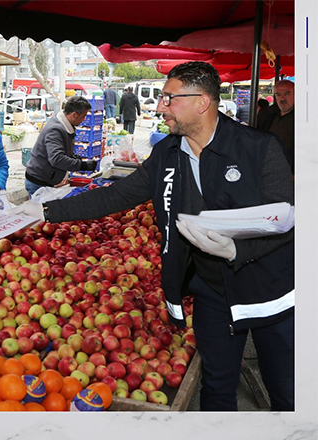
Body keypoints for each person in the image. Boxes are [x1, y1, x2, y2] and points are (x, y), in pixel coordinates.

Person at [20, 62, 294, 411]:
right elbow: (117, 195)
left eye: (169, 98)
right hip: (213, 292)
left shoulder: (260, 148)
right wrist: (47, 211)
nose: (160, 106)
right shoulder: (167, 153)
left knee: (286, 390)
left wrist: (237, 250)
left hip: (272, 291)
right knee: (218, 387)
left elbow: (288, 218)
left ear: (202, 102)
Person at [23, 96, 98, 197]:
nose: (84, 120)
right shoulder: (55, 130)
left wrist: (72, 157)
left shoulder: (65, 125)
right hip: (39, 182)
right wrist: (82, 166)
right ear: (74, 115)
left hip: (47, 180)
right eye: (83, 116)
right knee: (41, 211)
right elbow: (56, 159)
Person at [257, 80, 294, 174]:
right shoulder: (267, 116)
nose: (282, 98)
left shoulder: (305, 118)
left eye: (287, 93)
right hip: (268, 169)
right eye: (278, 94)